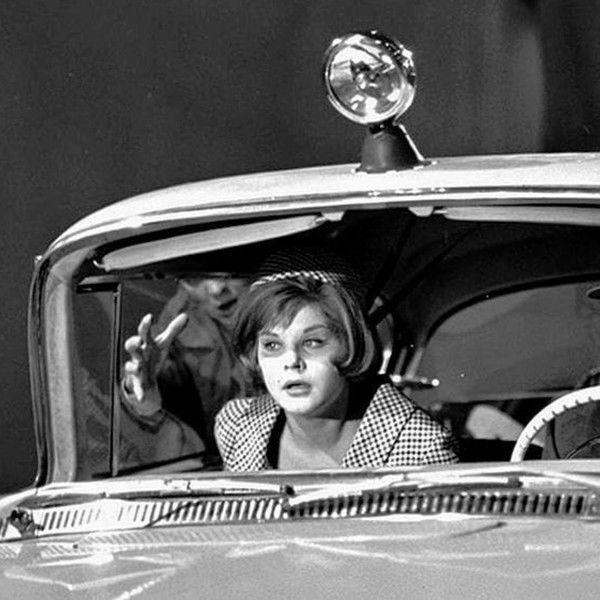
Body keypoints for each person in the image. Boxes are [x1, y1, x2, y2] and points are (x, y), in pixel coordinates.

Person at [215, 246, 458, 470]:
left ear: (352, 344)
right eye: (272, 345)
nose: (292, 361)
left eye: (313, 342)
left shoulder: (421, 447)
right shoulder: (237, 425)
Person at [122, 274, 252, 465]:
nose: (217, 289)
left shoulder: (291, 296)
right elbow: (148, 397)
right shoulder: (176, 328)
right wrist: (138, 391)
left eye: (226, 271)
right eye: (194, 279)